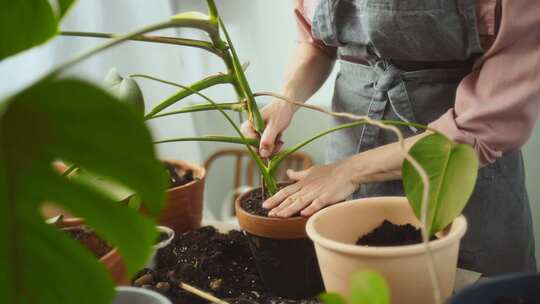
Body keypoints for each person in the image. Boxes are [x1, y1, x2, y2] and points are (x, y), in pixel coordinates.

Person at [241, 0, 540, 275]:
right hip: (347, 151)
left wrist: (349, 170)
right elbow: (317, 41)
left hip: (455, 174)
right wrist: (287, 97)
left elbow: (482, 124)